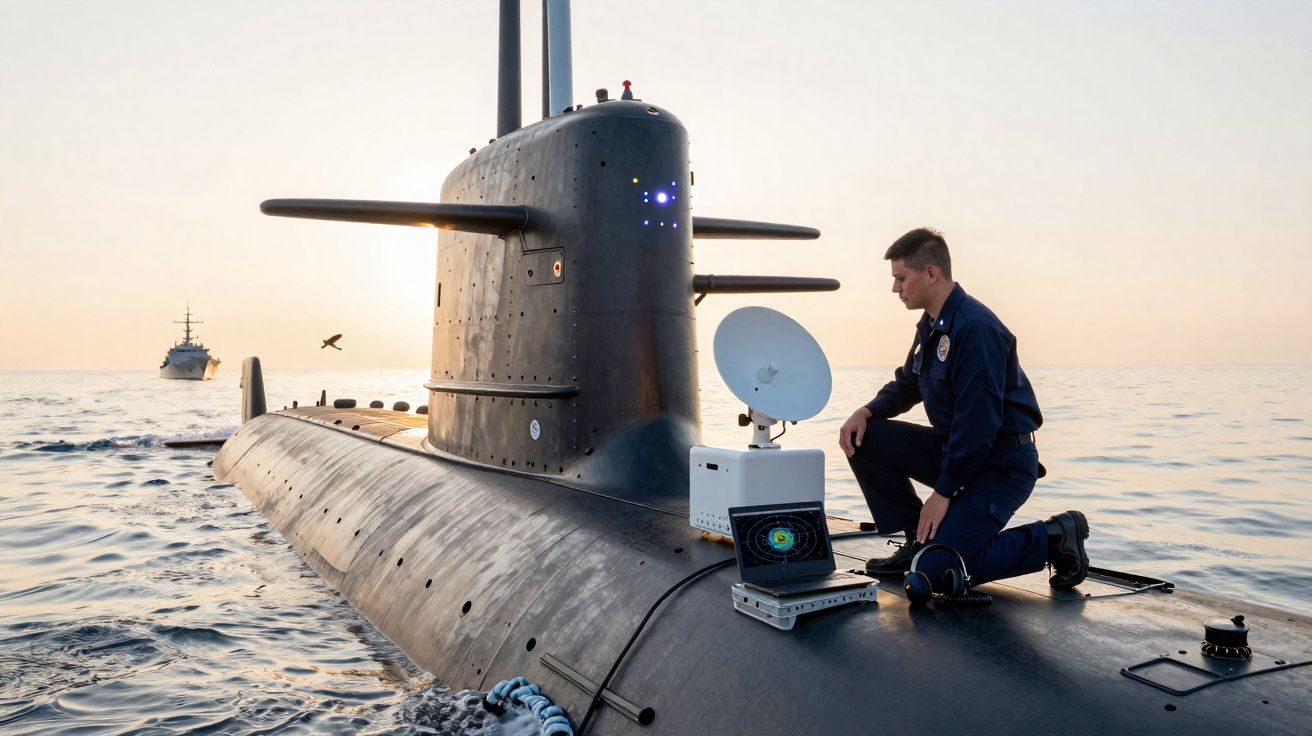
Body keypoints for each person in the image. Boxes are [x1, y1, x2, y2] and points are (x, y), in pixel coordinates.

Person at [838, 227, 1090, 590]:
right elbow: (909, 384)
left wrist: (942, 494)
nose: (896, 289)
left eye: (900, 278)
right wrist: (865, 411)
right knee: (865, 436)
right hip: (956, 452)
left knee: (940, 572)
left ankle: (1052, 538)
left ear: (930, 273)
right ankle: (917, 542)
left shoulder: (975, 328)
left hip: (1000, 464)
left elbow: (978, 425)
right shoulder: (932, 326)